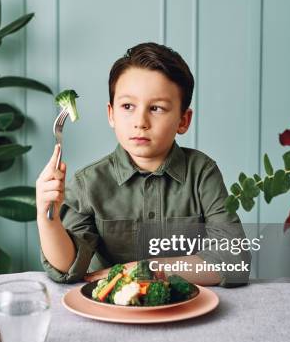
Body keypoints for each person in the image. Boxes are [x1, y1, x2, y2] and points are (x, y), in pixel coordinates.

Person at [37, 42, 252, 287]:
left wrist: (143, 269)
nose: (140, 121)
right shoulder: (88, 183)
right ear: (111, 114)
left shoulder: (203, 173)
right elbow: (67, 268)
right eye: (128, 106)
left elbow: (235, 260)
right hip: (111, 312)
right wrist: (47, 219)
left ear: (183, 120)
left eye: (156, 108)